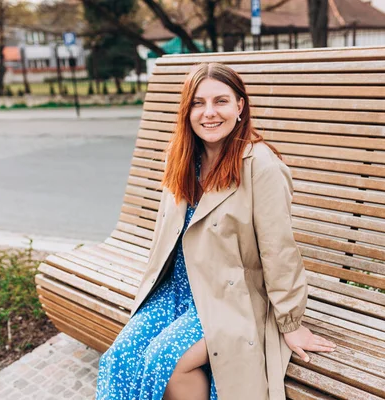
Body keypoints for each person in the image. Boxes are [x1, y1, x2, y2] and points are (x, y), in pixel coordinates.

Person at [95, 62, 337, 400]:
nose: (209, 113)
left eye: (220, 101)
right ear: (187, 110)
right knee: (117, 359)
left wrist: (291, 323)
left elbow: (278, 250)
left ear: (240, 106)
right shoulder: (180, 159)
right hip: (176, 292)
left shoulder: (260, 166)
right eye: (198, 103)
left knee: (166, 359)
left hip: (229, 297)